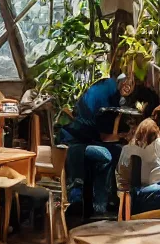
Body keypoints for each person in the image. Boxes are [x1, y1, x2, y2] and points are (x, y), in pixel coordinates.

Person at [59, 70, 137, 217]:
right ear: (122, 83)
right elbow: (105, 137)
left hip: (82, 136)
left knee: (117, 151)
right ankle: (101, 204)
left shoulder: (107, 86)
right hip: (77, 142)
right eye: (128, 84)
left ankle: (108, 200)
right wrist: (124, 136)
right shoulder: (107, 98)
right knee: (113, 153)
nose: (128, 88)